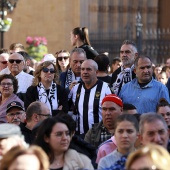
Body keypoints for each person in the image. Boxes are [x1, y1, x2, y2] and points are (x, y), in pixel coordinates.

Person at [69, 59, 112, 137]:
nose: (85, 72)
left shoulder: (105, 88)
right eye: (83, 69)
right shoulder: (75, 88)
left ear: (96, 72)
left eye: (88, 69)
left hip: (98, 135)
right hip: (80, 135)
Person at [91, 94, 123, 163]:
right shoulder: (93, 131)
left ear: (121, 110)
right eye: (104, 109)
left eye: (111, 109)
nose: (107, 113)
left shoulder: (127, 131)